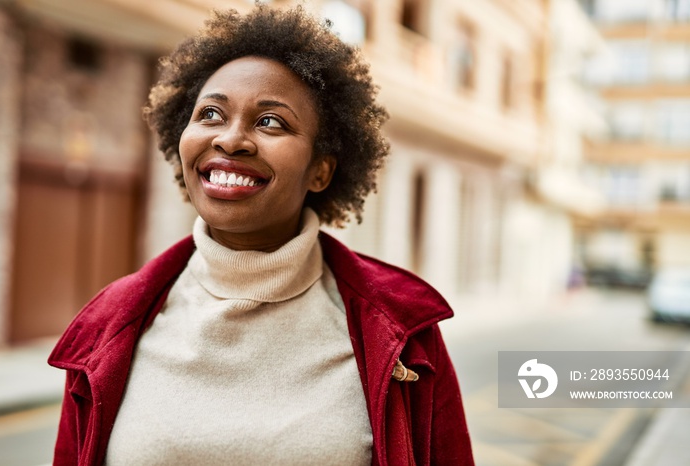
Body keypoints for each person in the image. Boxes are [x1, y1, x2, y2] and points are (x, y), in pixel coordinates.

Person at [48, 5, 474, 466]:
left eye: (271, 121)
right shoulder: (107, 328)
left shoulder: (403, 332)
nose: (231, 141)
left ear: (321, 170)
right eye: (210, 113)